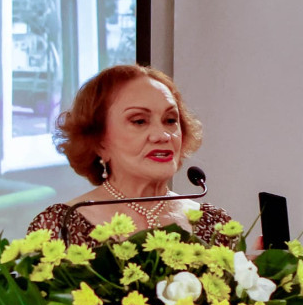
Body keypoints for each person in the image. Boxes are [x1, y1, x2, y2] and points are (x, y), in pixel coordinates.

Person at [29, 64, 234, 246]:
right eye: (139, 121)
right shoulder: (60, 226)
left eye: (170, 120)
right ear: (98, 140)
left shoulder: (214, 225)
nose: (162, 135)